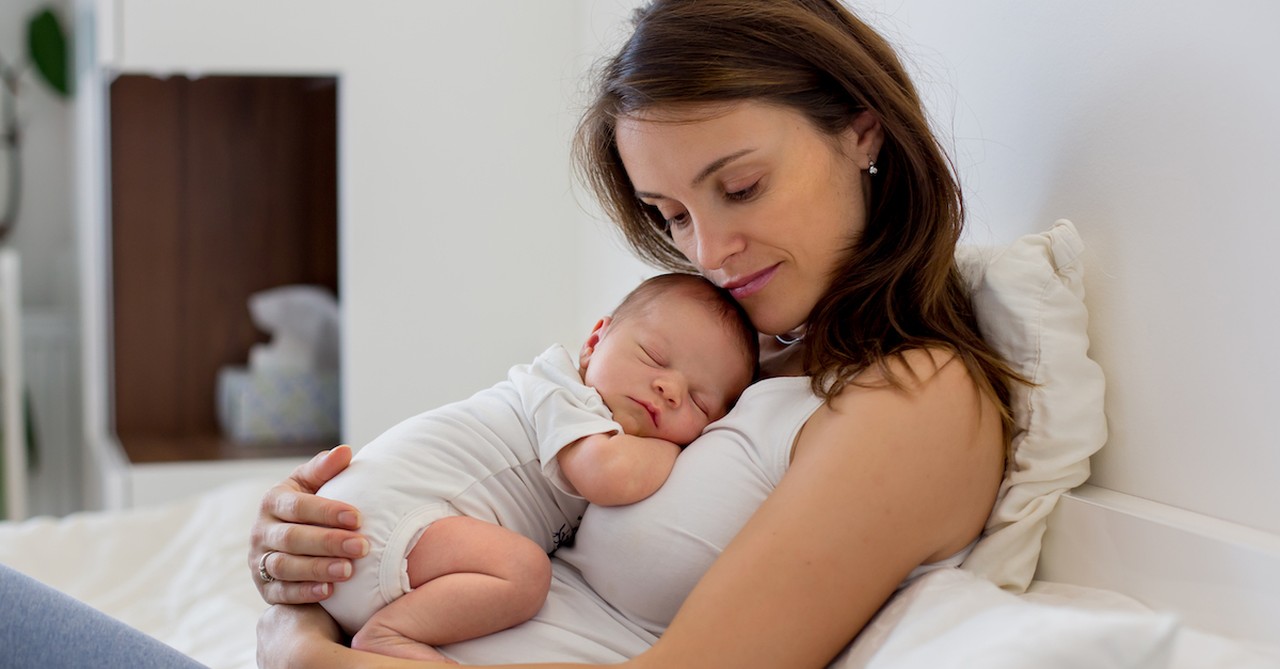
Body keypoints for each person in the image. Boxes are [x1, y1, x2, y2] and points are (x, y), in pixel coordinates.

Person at [244, 0, 1026, 666]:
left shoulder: (920, 399)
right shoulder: (725, 350)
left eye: (742, 187)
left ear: (864, 129)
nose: (708, 253)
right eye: (671, 214)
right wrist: (307, 574)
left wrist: (305, 650)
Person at [314, 272, 757, 661]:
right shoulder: (562, 392)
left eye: (699, 400)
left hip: (376, 547)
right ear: (593, 342)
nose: (669, 387)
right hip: (377, 522)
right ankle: (389, 634)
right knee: (525, 573)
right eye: (654, 357)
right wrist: (674, 449)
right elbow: (609, 475)